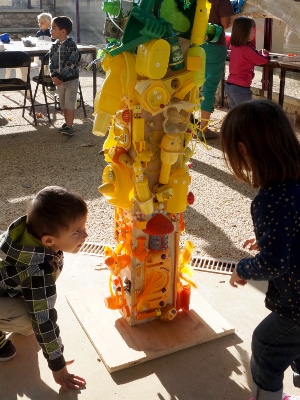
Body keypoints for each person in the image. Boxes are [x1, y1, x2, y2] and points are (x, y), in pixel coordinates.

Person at [220, 99, 300, 400]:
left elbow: (274, 263)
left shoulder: (271, 199)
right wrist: (278, 237)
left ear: (243, 150)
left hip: (297, 306)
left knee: (266, 347)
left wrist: (242, 267)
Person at [0, 186, 88, 391]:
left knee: (32, 310)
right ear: (48, 240)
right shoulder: (37, 270)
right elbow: (43, 320)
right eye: (77, 231)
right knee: (29, 320)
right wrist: (57, 365)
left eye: (84, 227)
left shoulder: (28, 235)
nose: (85, 234)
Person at [199, 0, 234, 139]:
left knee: (190, 85)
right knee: (209, 88)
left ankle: (187, 126)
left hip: (195, 44)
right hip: (214, 46)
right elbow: (226, 23)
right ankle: (203, 130)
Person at [225, 16, 270, 109]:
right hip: (241, 88)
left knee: (234, 113)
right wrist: (266, 55)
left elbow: (249, 56)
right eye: (252, 30)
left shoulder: (234, 47)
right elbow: (260, 60)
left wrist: (259, 52)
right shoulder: (246, 49)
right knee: (244, 114)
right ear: (245, 32)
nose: (254, 32)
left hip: (230, 85)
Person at [49, 16, 80, 137]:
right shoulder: (54, 46)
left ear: (63, 31)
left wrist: (61, 76)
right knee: (62, 105)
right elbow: (51, 62)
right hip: (59, 80)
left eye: (53, 28)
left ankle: (70, 126)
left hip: (70, 80)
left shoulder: (71, 45)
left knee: (70, 104)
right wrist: (53, 76)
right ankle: (67, 123)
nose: (51, 30)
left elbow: (72, 62)